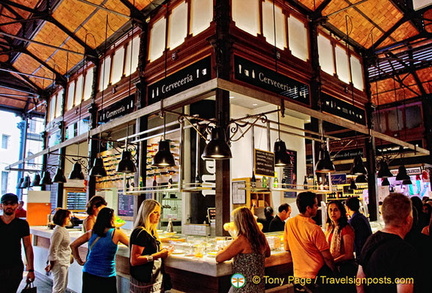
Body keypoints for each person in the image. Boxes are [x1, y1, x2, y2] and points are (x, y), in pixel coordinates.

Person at [356, 193, 416, 293]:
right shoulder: (404, 250)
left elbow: (359, 280)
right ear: (408, 220)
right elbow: (405, 290)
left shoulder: (370, 240)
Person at [284, 192, 335, 292]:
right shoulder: (314, 229)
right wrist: (335, 271)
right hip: (316, 276)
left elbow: (287, 247)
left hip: (298, 276)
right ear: (308, 208)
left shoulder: (289, 223)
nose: (317, 207)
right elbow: (326, 256)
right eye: (315, 205)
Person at [71, 207, 129, 293]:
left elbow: (73, 245)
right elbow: (131, 245)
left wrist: (79, 260)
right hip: (106, 274)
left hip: (89, 272)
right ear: (111, 219)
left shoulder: (91, 232)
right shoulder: (116, 233)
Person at [216, 207, 271, 292]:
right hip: (258, 286)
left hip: (243, 287)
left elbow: (219, 258)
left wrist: (224, 249)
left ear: (238, 222)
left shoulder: (242, 239)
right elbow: (267, 253)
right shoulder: (261, 236)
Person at [129, 199, 173, 293]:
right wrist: (159, 255)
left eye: (159, 213)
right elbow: (134, 260)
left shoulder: (151, 232)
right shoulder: (141, 233)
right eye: (155, 212)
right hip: (144, 281)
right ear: (147, 213)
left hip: (154, 280)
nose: (158, 216)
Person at [0, 193, 35, 293]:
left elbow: (28, 246)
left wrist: (31, 270)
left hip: (15, 267)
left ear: (17, 205)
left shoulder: (22, 224)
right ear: (1, 205)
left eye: (12, 203)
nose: (9, 206)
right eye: (6, 203)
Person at [325, 201, 356, 292]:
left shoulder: (346, 228)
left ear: (341, 212)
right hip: (334, 268)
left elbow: (348, 254)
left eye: (335, 210)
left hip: (345, 269)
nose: (332, 213)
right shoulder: (330, 228)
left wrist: (332, 262)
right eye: (330, 210)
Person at [45, 209, 73, 293]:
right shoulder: (58, 231)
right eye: (68, 217)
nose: (69, 219)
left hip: (63, 261)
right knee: (59, 287)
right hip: (59, 262)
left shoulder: (62, 229)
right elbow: (53, 248)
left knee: (62, 286)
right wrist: (52, 263)